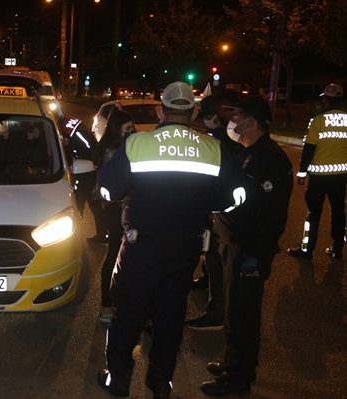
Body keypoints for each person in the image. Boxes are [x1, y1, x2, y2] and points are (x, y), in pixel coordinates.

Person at [95, 81, 246, 399]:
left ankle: (119, 379)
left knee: (128, 315)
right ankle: (160, 382)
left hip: (140, 248)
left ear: (160, 110)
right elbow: (236, 196)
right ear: (193, 112)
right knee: (170, 316)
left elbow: (108, 190)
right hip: (185, 249)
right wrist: (211, 206)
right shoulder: (212, 148)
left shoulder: (138, 143)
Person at [199, 96, 293, 396]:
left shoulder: (269, 159)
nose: (232, 120)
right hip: (234, 243)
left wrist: (254, 253)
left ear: (251, 121)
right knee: (233, 310)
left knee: (242, 313)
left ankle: (237, 378)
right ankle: (235, 362)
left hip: (248, 248)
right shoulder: (249, 152)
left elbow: (266, 212)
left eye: (237, 115)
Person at [186, 89, 242, 330]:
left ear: (225, 110)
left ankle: (217, 313)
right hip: (216, 210)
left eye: (211, 114)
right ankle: (209, 283)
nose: (208, 120)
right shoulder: (218, 135)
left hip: (226, 213)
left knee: (218, 259)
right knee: (211, 255)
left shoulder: (232, 139)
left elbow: (226, 179)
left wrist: (215, 206)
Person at [287, 83, 347, 260]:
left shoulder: (318, 120)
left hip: (319, 177)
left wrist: (302, 173)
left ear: (326, 100)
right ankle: (337, 248)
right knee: (338, 211)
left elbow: (309, 149)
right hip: (340, 176)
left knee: (313, 213)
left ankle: (307, 249)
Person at [92, 108, 135, 323]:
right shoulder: (113, 151)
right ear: (117, 129)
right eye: (128, 129)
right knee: (115, 255)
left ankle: (111, 304)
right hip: (114, 208)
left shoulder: (112, 146)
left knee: (118, 254)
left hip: (115, 207)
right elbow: (114, 185)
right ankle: (107, 306)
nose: (131, 132)